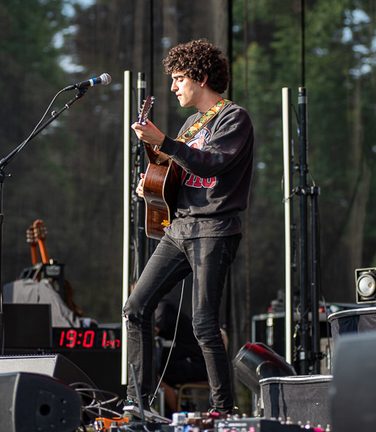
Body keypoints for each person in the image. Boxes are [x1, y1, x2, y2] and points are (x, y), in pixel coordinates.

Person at [125, 38, 254, 415]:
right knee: (136, 307)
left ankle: (222, 409)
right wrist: (151, 180)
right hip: (178, 229)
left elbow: (211, 162)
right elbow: (178, 171)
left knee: (203, 323)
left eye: (179, 78)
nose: (173, 87)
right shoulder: (191, 123)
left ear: (199, 77)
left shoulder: (234, 117)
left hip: (215, 228)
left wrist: (165, 141)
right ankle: (138, 401)